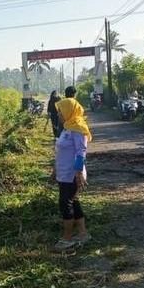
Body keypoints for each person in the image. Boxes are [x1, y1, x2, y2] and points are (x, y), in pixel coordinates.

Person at [52, 86, 92, 251]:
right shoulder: (68, 127)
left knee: (65, 203)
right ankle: (83, 234)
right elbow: (61, 151)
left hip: (72, 174)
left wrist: (78, 172)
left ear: (69, 111)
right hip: (64, 172)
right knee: (73, 202)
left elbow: (81, 152)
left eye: (61, 111)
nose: (59, 115)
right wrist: (55, 169)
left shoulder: (78, 129)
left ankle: (67, 239)